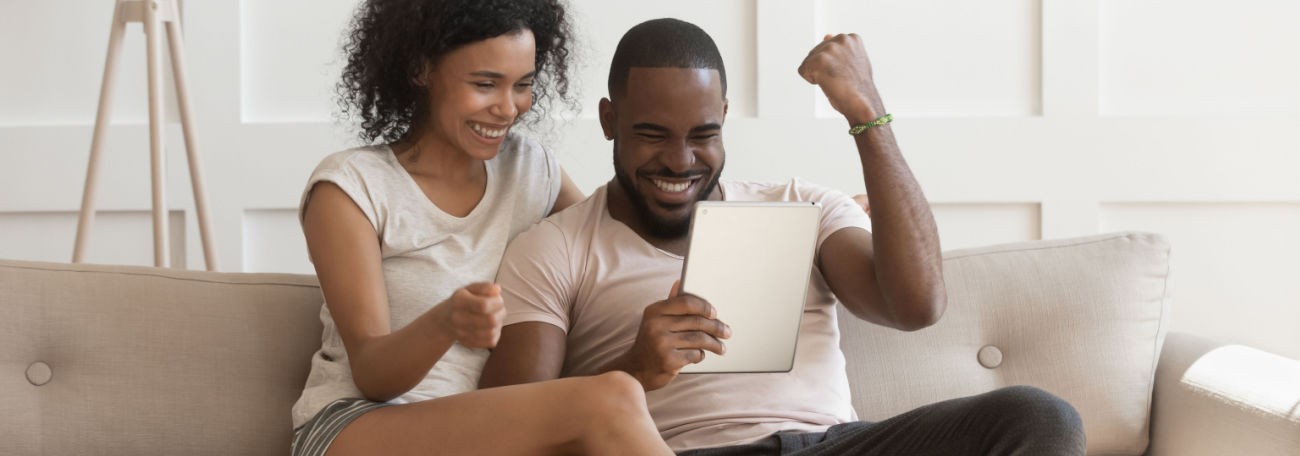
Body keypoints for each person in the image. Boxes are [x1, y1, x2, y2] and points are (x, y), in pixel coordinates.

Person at [480, 18, 1087, 455]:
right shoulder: (553, 250)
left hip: (837, 445)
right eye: (651, 134)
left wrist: (864, 112)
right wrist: (633, 370)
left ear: (724, 119)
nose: (680, 159)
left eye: (703, 133)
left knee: (1039, 417)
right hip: (686, 452)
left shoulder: (806, 206)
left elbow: (918, 305)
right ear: (610, 120)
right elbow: (506, 429)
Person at [290, 1, 674, 455]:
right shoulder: (351, 188)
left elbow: (610, 244)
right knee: (611, 398)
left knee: (615, 396)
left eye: (523, 85)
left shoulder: (531, 170)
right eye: (485, 84)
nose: (508, 108)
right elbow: (373, 373)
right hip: (358, 426)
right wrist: (446, 321)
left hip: (489, 432)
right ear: (420, 69)